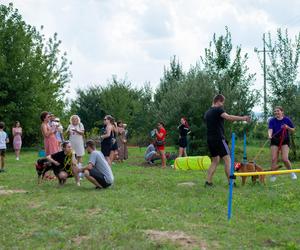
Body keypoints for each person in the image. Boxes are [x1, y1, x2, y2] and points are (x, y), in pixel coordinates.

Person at [204, 94, 250, 187]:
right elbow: (229, 117)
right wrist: (243, 118)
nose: (222, 105)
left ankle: (208, 182)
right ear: (218, 101)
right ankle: (231, 183)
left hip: (210, 139)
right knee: (228, 160)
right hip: (219, 139)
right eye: (222, 102)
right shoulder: (218, 110)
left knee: (215, 161)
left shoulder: (207, 112)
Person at [268, 106, 297, 181]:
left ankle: (291, 172)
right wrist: (269, 135)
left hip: (285, 140)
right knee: (274, 158)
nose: (276, 112)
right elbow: (270, 129)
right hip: (274, 140)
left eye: (278, 111)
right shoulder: (272, 120)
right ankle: (273, 175)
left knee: (284, 158)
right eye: (275, 111)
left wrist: (287, 127)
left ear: (282, 112)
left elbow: (293, 130)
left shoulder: (287, 119)